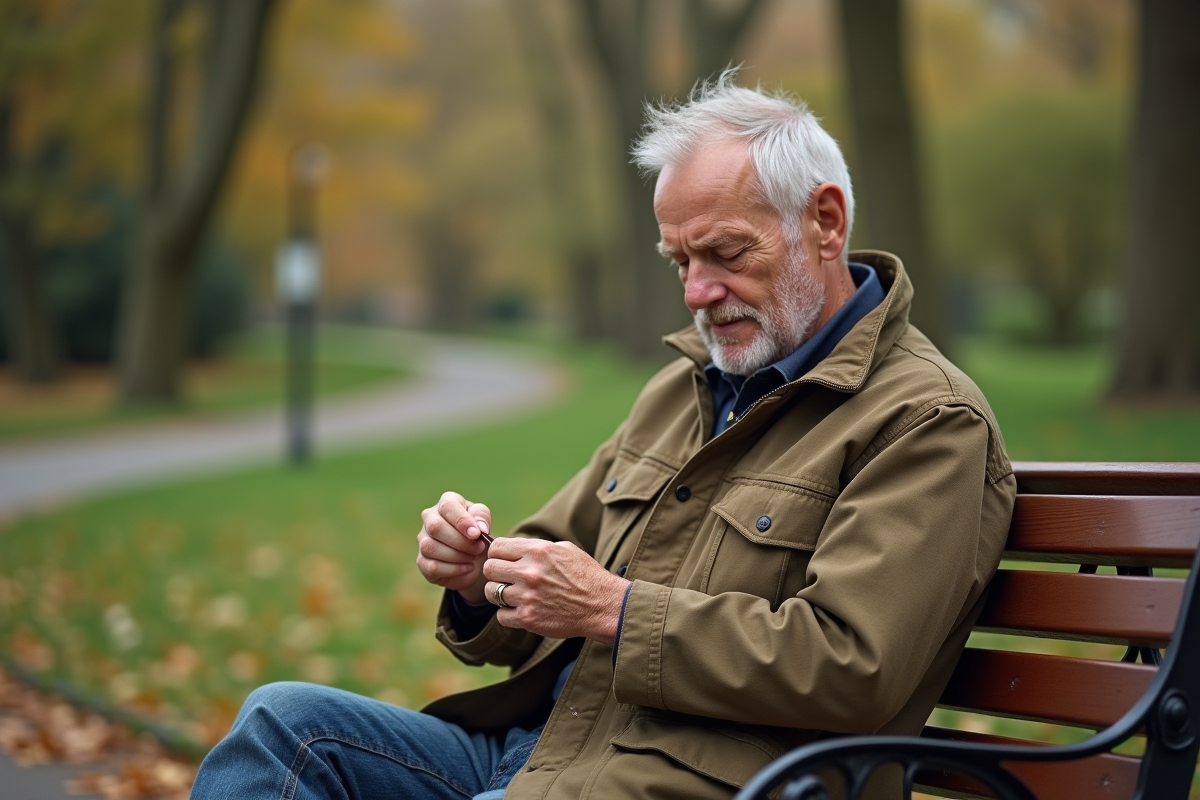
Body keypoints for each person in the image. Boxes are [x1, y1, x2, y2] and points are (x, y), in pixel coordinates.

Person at [190, 73, 1015, 800]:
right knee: (282, 727)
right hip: (535, 755)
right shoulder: (680, 390)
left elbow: (851, 668)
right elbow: (551, 565)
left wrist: (615, 611)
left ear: (825, 222)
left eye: (725, 253)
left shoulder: (926, 421)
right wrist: (481, 574)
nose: (698, 291)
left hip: (690, 784)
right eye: (678, 261)